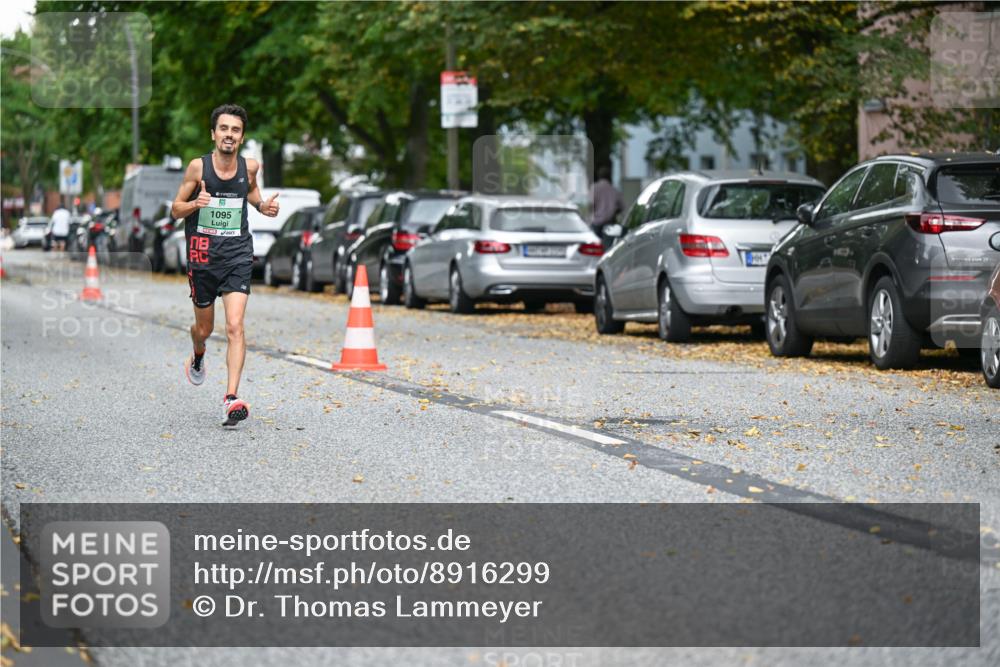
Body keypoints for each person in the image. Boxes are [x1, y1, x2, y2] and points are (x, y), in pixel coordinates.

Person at [171, 104, 279, 426]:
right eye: (224, 129)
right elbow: (175, 210)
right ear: (214, 134)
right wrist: (195, 204)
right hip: (203, 256)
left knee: (235, 326)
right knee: (205, 329)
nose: (229, 135)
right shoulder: (197, 168)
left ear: (242, 137)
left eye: (235, 130)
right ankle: (199, 352)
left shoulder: (250, 167)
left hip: (237, 254)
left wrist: (262, 206)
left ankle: (230, 398)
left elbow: (252, 192)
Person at [590, 164, 623, 249]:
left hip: (596, 222)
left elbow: (591, 205)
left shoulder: (594, 188)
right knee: (607, 248)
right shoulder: (614, 190)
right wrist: (613, 212)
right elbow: (621, 207)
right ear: (609, 176)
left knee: (594, 248)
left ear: (599, 176)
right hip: (609, 222)